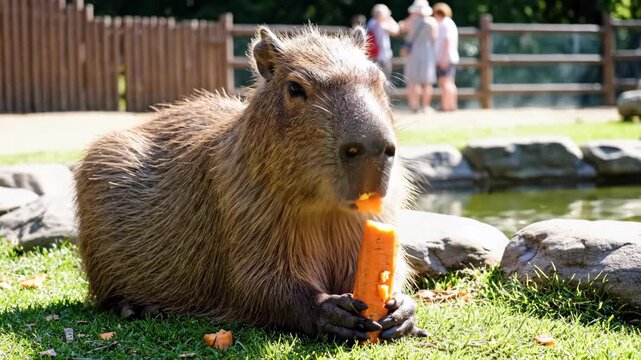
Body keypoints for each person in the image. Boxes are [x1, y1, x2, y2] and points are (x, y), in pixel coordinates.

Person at [400, 0, 438, 113]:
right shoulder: (432, 22)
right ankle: (426, 106)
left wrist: (411, 17)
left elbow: (401, 27)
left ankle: (413, 106)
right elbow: (434, 38)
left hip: (413, 53)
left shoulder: (410, 21)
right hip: (427, 52)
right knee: (427, 82)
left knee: (412, 82)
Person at [433, 2, 459, 111]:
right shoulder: (450, 23)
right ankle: (452, 105)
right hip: (451, 57)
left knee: (444, 83)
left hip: (445, 58)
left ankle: (445, 105)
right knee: (450, 82)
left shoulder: (443, 24)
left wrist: (444, 58)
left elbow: (446, 41)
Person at [366, 4, 400, 79]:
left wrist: (388, 18)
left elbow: (396, 30)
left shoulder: (376, 22)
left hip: (384, 56)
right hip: (376, 56)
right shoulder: (373, 23)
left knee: (385, 78)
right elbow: (395, 30)